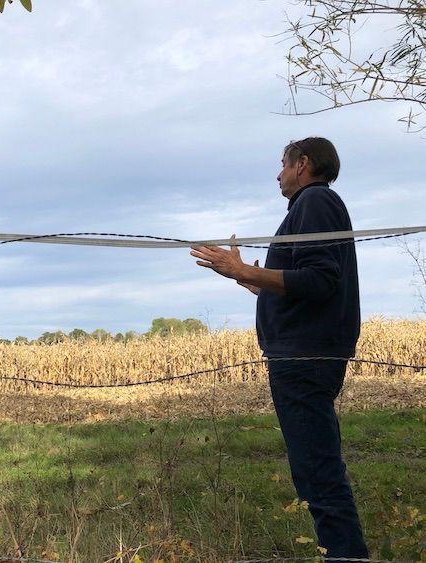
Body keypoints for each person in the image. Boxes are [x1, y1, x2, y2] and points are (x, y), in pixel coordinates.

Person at [189, 137, 368, 557]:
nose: (278, 174)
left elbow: (320, 280)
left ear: (303, 164)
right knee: (314, 469)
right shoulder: (313, 207)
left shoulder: (315, 202)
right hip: (305, 353)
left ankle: (347, 555)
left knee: (318, 472)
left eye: (283, 165)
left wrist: (243, 270)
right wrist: (251, 281)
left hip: (304, 358)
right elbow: (304, 287)